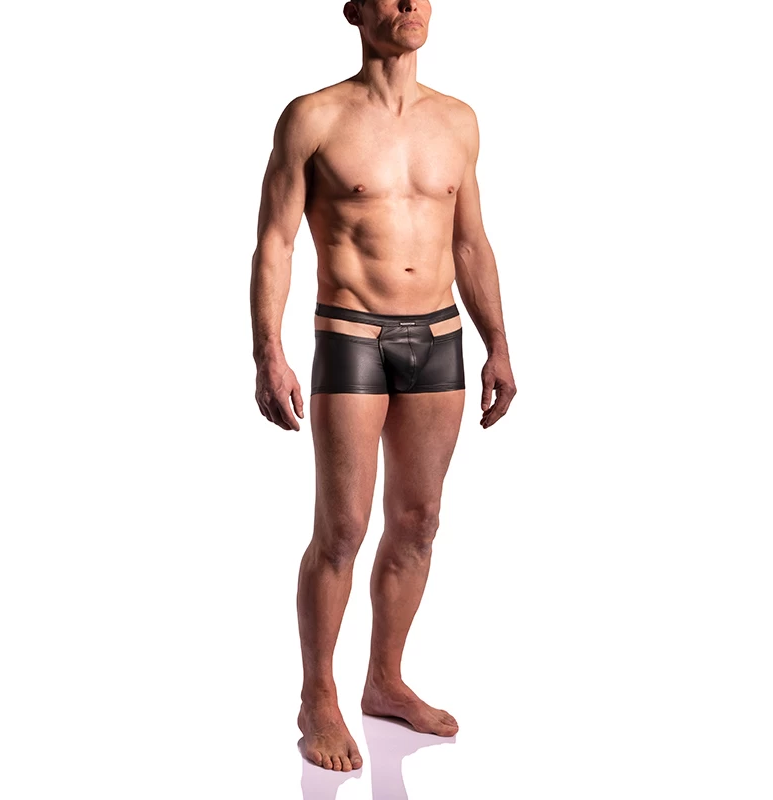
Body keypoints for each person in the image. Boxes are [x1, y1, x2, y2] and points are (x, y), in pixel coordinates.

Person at [250, 0, 516, 773]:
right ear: (355, 11)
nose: (410, 5)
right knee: (342, 529)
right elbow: (275, 242)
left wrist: (499, 342)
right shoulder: (313, 117)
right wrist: (268, 352)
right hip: (351, 335)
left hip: (439, 337)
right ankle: (317, 697)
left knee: (419, 522)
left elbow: (471, 241)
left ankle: (385, 681)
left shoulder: (458, 120)